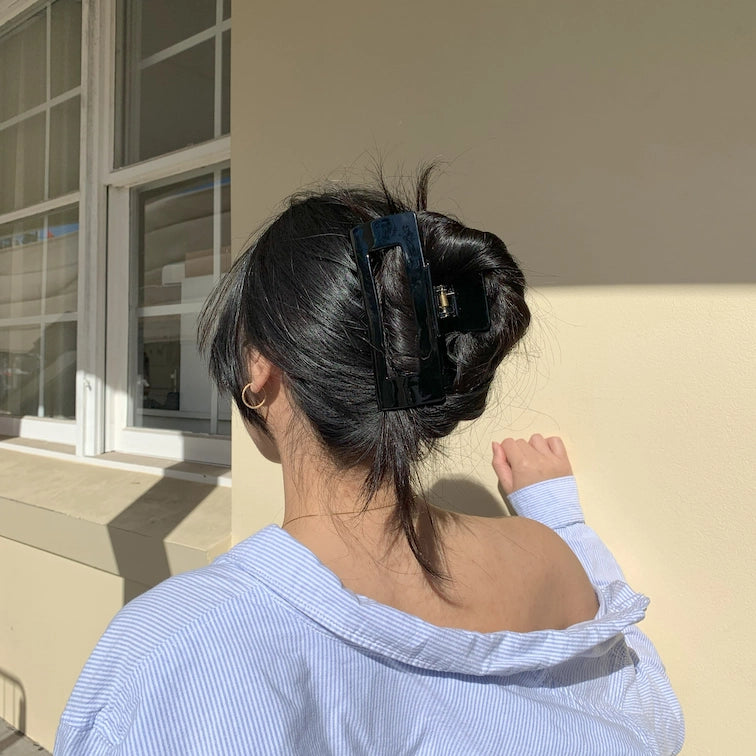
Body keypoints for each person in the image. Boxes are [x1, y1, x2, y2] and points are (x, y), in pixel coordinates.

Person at [55, 172, 684, 755]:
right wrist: (558, 515)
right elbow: (646, 714)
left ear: (257, 370)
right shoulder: (553, 562)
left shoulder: (175, 652)